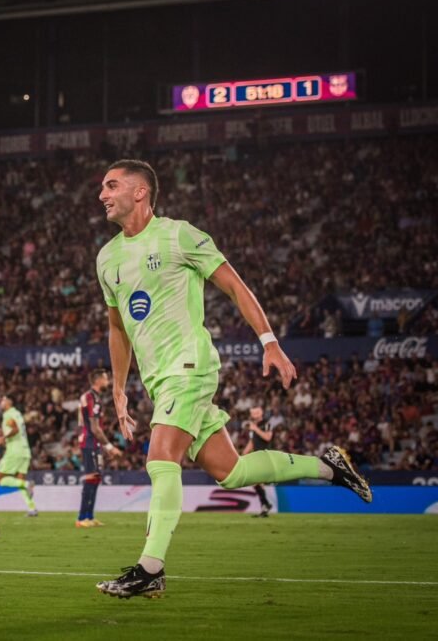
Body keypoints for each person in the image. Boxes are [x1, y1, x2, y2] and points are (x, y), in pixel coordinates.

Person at [93, 159, 372, 599]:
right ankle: (328, 467)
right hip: (158, 380)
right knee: (232, 471)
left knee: (160, 458)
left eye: (112, 186)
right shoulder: (107, 257)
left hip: (189, 366)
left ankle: (150, 569)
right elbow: (117, 327)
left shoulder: (179, 235)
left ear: (140, 191)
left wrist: (269, 341)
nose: (102, 195)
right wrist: (118, 387)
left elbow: (235, 286)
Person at [76, 369, 122, 527]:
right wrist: (109, 447)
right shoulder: (91, 397)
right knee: (91, 478)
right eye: (106, 378)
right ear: (98, 381)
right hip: (89, 442)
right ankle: (81, 518)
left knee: (95, 478)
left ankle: (89, 516)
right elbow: (94, 428)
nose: (108, 381)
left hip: (94, 443)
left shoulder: (93, 397)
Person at [0, 392, 37, 517]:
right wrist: (4, 434)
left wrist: (3, 437)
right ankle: (32, 508)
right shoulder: (18, 414)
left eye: (3, 400)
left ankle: (27, 484)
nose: (1, 402)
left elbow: (15, 429)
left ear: (9, 402)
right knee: (19, 480)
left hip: (15, 450)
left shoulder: (8, 414)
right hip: (25, 450)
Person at [242, 406, 275, 518]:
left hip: (265, 456)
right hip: (257, 457)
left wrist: (255, 429)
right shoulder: (253, 426)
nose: (254, 415)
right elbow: (252, 441)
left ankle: (266, 504)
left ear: (261, 413)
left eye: (256, 412)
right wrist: (244, 453)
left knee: (255, 481)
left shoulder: (267, 424)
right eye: (253, 413)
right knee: (256, 482)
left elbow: (268, 437)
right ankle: (265, 506)